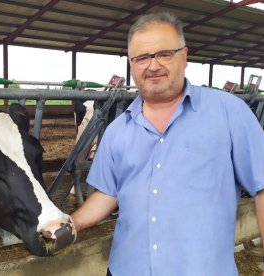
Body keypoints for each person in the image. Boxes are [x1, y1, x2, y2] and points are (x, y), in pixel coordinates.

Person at [70, 12, 264, 276]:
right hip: (126, 269)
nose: (153, 66)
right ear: (131, 64)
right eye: (142, 58)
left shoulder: (231, 113)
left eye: (164, 54)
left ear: (184, 56)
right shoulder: (117, 130)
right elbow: (108, 193)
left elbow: (262, 189)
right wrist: (71, 223)